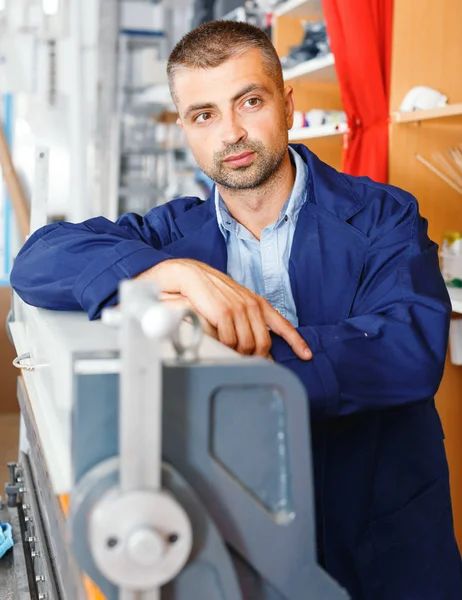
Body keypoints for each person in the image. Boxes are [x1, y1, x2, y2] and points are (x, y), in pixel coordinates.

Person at [10, 20, 462, 599]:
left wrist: (225, 358)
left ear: (288, 103)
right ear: (185, 129)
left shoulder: (384, 216)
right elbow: (37, 260)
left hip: (380, 532)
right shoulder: (170, 236)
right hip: (242, 529)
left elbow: (409, 349)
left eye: (249, 101)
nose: (231, 133)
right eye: (204, 115)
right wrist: (171, 272)